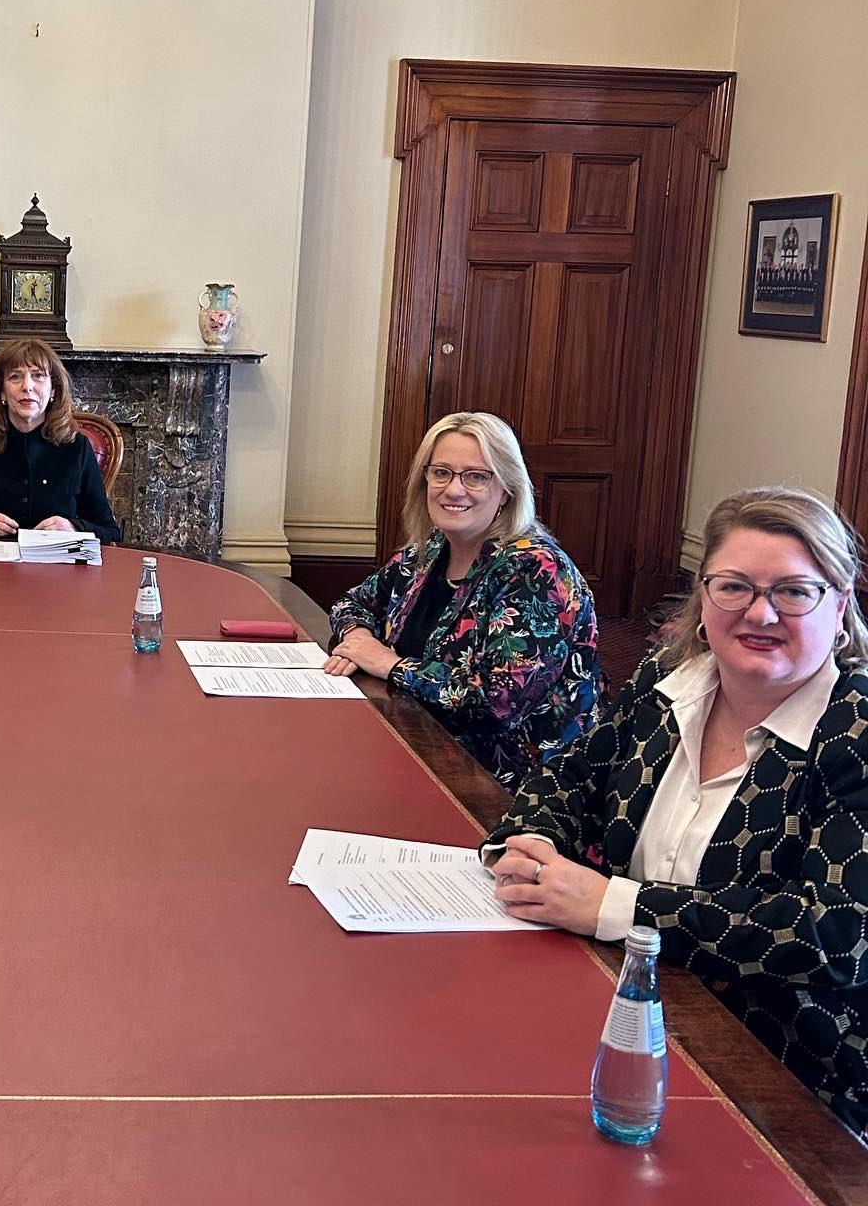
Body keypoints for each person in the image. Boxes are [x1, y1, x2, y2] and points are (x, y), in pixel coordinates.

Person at [485, 487, 868, 1138]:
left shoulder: (854, 734)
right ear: (703, 596)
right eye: (735, 587)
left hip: (787, 1078)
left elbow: (835, 939)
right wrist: (532, 843)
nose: (760, 612)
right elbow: (576, 771)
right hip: (624, 1016)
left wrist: (617, 907)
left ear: (839, 607)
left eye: (794, 592)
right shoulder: (668, 680)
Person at [325, 411, 598, 787]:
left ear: (506, 489)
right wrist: (358, 637)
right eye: (441, 473)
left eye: (476, 476)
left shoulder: (537, 570)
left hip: (512, 789)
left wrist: (390, 664)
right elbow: (351, 604)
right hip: (418, 747)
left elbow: (497, 702)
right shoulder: (430, 550)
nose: (454, 490)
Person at [0, 337, 121, 543]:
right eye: (15, 377)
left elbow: (110, 532)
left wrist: (73, 527)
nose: (27, 386)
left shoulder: (77, 447)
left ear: (53, 389)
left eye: (38, 376)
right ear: (1, 390)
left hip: (54, 570)